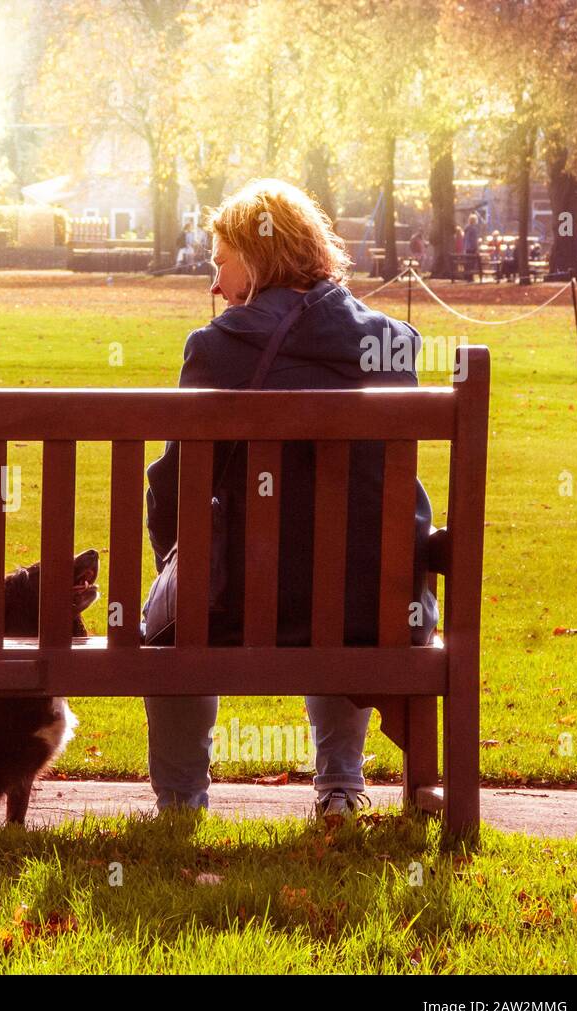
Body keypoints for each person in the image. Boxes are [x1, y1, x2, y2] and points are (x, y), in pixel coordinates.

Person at [140, 179, 438, 819]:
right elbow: (388, 490)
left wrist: (177, 557)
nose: (216, 285)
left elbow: (174, 487)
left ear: (256, 255)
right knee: (348, 569)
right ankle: (339, 790)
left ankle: (181, 804)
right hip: (376, 609)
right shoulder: (391, 343)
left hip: (240, 607)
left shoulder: (214, 349)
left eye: (220, 263)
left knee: (175, 614)